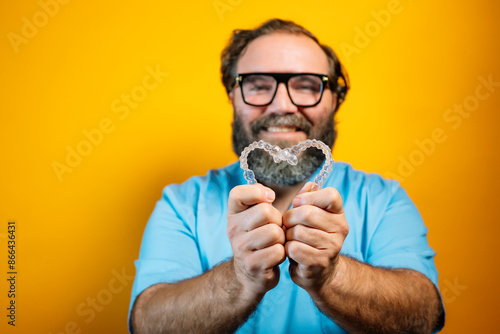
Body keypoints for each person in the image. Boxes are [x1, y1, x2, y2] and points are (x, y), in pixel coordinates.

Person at [129, 18, 445, 333]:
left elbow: (423, 317)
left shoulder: (384, 200)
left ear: (335, 99)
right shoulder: (183, 204)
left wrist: (333, 277)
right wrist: (239, 279)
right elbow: (147, 324)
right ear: (233, 97)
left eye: (307, 86)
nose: (282, 105)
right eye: (258, 85)